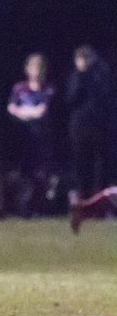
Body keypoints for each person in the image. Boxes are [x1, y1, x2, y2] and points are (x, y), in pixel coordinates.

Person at [4, 53, 56, 217]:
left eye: (39, 68)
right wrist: (26, 112)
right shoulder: (19, 88)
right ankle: (21, 208)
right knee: (24, 174)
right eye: (33, 67)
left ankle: (38, 208)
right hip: (23, 138)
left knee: (41, 174)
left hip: (42, 139)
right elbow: (11, 108)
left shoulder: (48, 89)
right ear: (27, 69)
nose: (36, 71)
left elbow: (42, 111)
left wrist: (24, 111)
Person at [64, 45, 115, 203]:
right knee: (81, 164)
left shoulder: (101, 74)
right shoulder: (75, 76)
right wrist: (81, 75)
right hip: (79, 128)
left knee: (101, 164)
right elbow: (71, 98)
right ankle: (83, 199)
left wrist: (90, 74)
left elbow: (105, 94)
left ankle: (99, 200)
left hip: (99, 127)